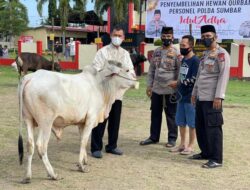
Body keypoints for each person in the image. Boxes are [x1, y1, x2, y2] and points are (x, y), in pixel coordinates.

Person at [91, 25, 135, 158]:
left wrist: (131, 76)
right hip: (103, 93)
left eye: (120, 36)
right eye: (115, 35)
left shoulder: (125, 54)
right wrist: (108, 73)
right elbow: (95, 69)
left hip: (117, 94)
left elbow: (130, 70)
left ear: (123, 37)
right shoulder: (102, 52)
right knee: (100, 120)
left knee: (115, 121)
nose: (117, 38)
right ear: (111, 36)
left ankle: (112, 146)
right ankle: (96, 148)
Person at [190, 25, 230, 169]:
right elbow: (199, 76)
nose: (206, 38)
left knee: (213, 128)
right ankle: (205, 152)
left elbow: (223, 75)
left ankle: (216, 158)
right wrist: (194, 93)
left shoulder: (222, 54)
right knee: (200, 127)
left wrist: (219, 96)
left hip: (213, 98)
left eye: (208, 36)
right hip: (201, 96)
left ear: (215, 36)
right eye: (203, 36)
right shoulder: (205, 54)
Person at [140, 27, 180, 147]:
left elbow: (179, 69)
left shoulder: (177, 52)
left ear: (172, 37)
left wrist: (177, 83)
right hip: (156, 88)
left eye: (168, 37)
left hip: (170, 89)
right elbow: (152, 69)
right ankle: (153, 137)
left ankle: (172, 139)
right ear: (161, 37)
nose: (166, 39)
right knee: (155, 113)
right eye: (164, 36)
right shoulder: (156, 51)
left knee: (171, 114)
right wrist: (149, 85)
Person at [170, 35, 199, 155]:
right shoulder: (183, 60)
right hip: (180, 95)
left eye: (184, 45)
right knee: (180, 121)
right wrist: (177, 83)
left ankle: (191, 145)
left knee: (192, 123)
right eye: (180, 45)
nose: (181, 47)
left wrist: (179, 83)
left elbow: (194, 79)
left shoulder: (195, 61)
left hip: (190, 96)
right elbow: (181, 76)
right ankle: (182, 144)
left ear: (191, 46)